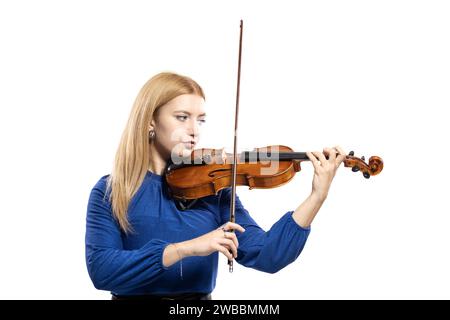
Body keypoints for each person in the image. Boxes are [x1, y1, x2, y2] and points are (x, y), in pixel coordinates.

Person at [85, 72, 346, 300]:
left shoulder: (215, 189)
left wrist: (316, 197)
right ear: (150, 121)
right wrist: (187, 248)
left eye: (200, 120)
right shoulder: (110, 190)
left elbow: (268, 255)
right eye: (182, 117)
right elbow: (102, 270)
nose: (194, 131)